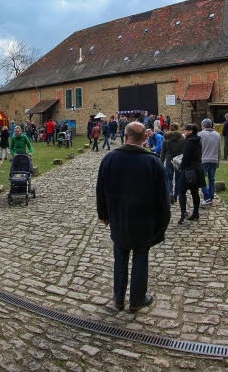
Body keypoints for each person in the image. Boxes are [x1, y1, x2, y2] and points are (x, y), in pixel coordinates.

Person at [95, 122, 170, 312]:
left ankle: (119, 298)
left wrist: (103, 214)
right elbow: (163, 197)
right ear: (145, 138)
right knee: (140, 257)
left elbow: (100, 189)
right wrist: (163, 223)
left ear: (125, 137)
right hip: (143, 220)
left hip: (119, 217)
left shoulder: (110, 158)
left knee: (120, 258)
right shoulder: (153, 162)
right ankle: (137, 299)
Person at [178, 123, 203, 224]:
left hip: (189, 170)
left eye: (185, 130)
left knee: (181, 191)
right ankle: (196, 212)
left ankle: (183, 211)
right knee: (195, 192)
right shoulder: (198, 140)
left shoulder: (189, 142)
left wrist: (181, 166)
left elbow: (186, 157)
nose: (184, 132)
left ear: (190, 131)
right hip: (197, 168)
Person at [159, 122, 184, 205]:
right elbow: (184, 150)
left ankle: (170, 193)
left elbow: (163, 151)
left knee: (169, 178)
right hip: (179, 159)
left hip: (169, 159)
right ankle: (176, 195)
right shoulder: (182, 137)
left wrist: (161, 161)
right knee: (178, 178)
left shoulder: (166, 137)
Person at [198, 119, 221, 205]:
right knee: (212, 179)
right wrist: (218, 162)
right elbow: (219, 150)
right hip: (214, 159)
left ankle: (207, 197)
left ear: (203, 125)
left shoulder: (200, 134)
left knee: (201, 180)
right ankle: (210, 197)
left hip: (203, 160)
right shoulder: (217, 135)